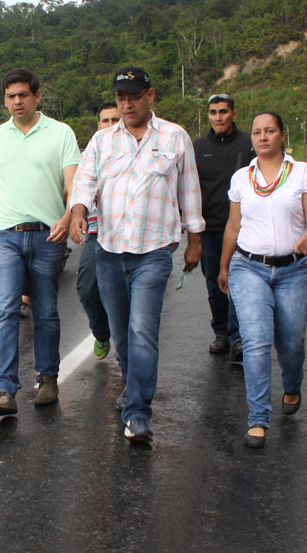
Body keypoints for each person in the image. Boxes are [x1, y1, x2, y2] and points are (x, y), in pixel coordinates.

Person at [70, 66, 204, 443]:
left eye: (133, 96)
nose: (126, 103)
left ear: (151, 96)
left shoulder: (175, 137)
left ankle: (139, 412)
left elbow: (190, 192)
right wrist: (79, 211)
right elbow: (84, 181)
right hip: (109, 250)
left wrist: (195, 241)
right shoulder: (102, 141)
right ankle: (133, 385)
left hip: (154, 250)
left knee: (142, 330)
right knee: (123, 337)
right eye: (120, 97)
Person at [0, 68, 80, 416]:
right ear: (4, 99)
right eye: (10, 96)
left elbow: (72, 182)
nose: (17, 101)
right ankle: (5, 390)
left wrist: (67, 216)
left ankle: (47, 378)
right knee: (5, 308)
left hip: (48, 235)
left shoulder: (61, 133)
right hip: (5, 235)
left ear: (37, 96)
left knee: (45, 309)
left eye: (23, 95)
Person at [218, 112, 307, 449]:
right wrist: (223, 266)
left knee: (291, 342)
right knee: (256, 341)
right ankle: (258, 418)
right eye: (256, 132)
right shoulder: (241, 178)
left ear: (281, 135)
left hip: (295, 270)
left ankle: (292, 384)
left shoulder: (302, 172)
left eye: (270, 131)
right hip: (249, 267)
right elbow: (234, 225)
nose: (262, 137)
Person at [193, 93, 255, 362]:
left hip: (245, 227)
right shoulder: (197, 147)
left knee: (239, 281)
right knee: (214, 282)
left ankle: (238, 336)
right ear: (208, 115)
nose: (218, 117)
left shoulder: (248, 143)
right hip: (210, 227)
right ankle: (221, 332)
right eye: (213, 112)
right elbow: (189, 188)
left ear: (234, 114)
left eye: (223, 112)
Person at [75, 102, 118, 360]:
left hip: (132, 234)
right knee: (87, 287)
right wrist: (75, 214)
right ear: (98, 125)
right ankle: (102, 333)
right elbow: (80, 186)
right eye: (106, 121)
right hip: (97, 231)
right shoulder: (91, 152)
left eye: (116, 120)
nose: (111, 126)